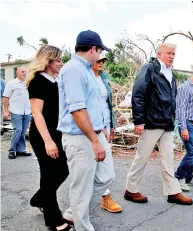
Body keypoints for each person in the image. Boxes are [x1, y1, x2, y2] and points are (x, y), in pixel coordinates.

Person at [57, 30, 115, 231]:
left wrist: (102, 130)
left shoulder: (87, 70)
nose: (100, 56)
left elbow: (94, 103)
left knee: (106, 176)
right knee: (81, 187)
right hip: (80, 137)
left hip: (95, 133)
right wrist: (94, 139)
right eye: (99, 52)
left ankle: (73, 213)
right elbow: (77, 109)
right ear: (93, 49)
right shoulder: (74, 70)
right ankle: (82, 226)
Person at [124, 43, 193, 205]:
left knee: (168, 159)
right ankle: (130, 190)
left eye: (173, 54)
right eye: (168, 53)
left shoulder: (171, 74)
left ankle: (173, 192)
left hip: (167, 124)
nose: (171, 56)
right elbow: (138, 94)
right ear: (159, 54)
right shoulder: (150, 69)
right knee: (142, 157)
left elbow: (171, 99)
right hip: (151, 122)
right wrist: (139, 121)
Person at [27, 45, 73, 231]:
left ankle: (40, 198)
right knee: (50, 173)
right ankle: (53, 219)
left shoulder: (55, 80)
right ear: (48, 61)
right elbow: (37, 113)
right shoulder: (37, 81)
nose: (61, 63)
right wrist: (48, 141)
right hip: (43, 135)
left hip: (57, 133)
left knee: (61, 170)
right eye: (59, 60)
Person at [91, 51, 122, 213]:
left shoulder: (104, 78)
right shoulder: (85, 77)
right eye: (98, 59)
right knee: (94, 165)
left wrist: (111, 125)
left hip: (105, 125)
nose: (101, 62)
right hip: (90, 127)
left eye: (103, 60)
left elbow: (108, 104)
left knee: (103, 165)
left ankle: (103, 197)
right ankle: (103, 196)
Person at [2, 67, 32, 159]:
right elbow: (5, 98)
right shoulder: (11, 84)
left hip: (27, 111)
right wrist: (6, 111)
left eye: (26, 72)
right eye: (22, 71)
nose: (24, 73)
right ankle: (12, 150)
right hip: (15, 111)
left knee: (22, 132)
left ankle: (21, 150)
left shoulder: (28, 83)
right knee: (17, 130)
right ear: (17, 72)